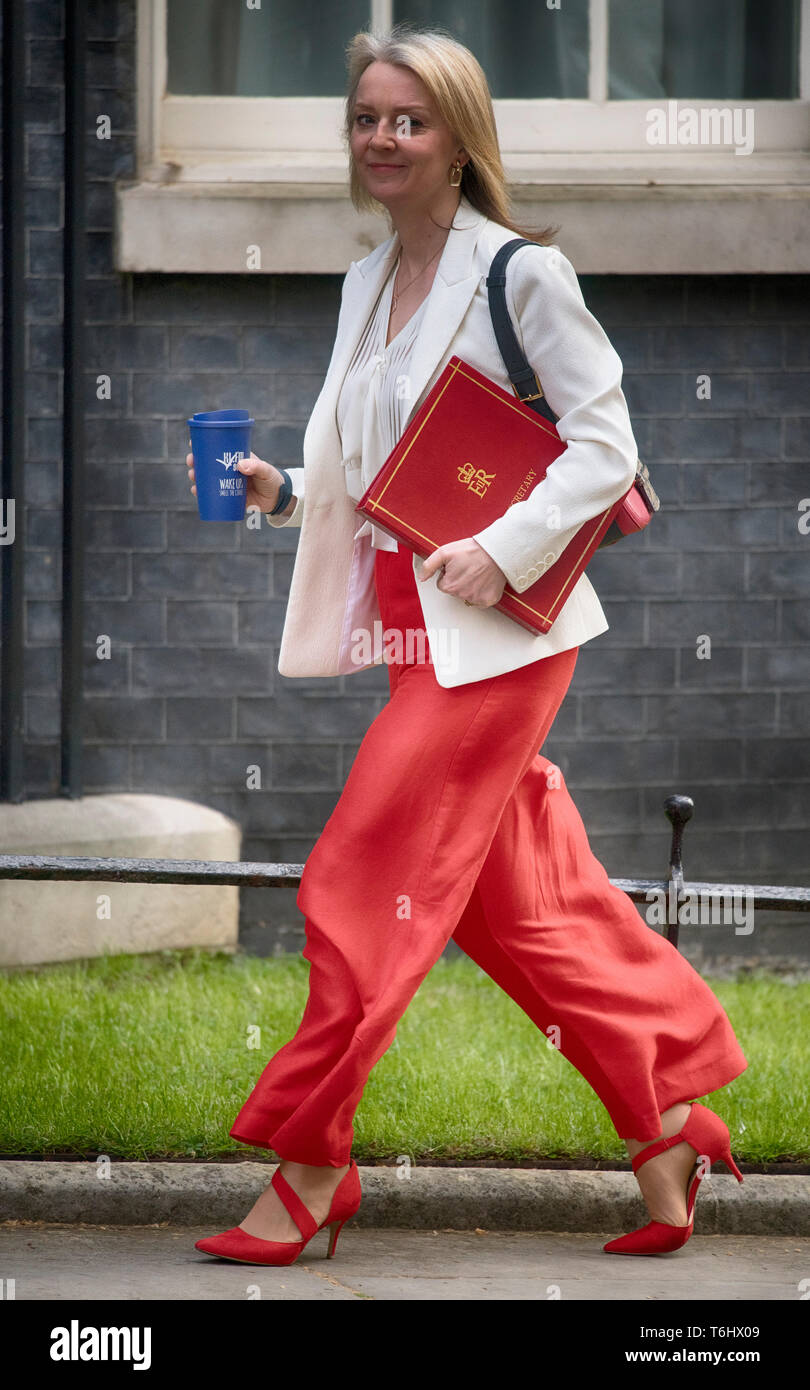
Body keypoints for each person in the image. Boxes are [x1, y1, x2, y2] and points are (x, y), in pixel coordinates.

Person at [188, 24, 747, 1266]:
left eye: (408, 120)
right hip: (410, 620)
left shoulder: (520, 275)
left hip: (499, 633)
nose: (380, 138)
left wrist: (502, 545)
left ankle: (309, 1164)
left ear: (458, 142)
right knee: (525, 907)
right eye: (364, 118)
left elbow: (608, 449)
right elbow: (372, 471)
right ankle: (668, 1118)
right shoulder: (365, 281)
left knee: (357, 874)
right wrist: (283, 492)